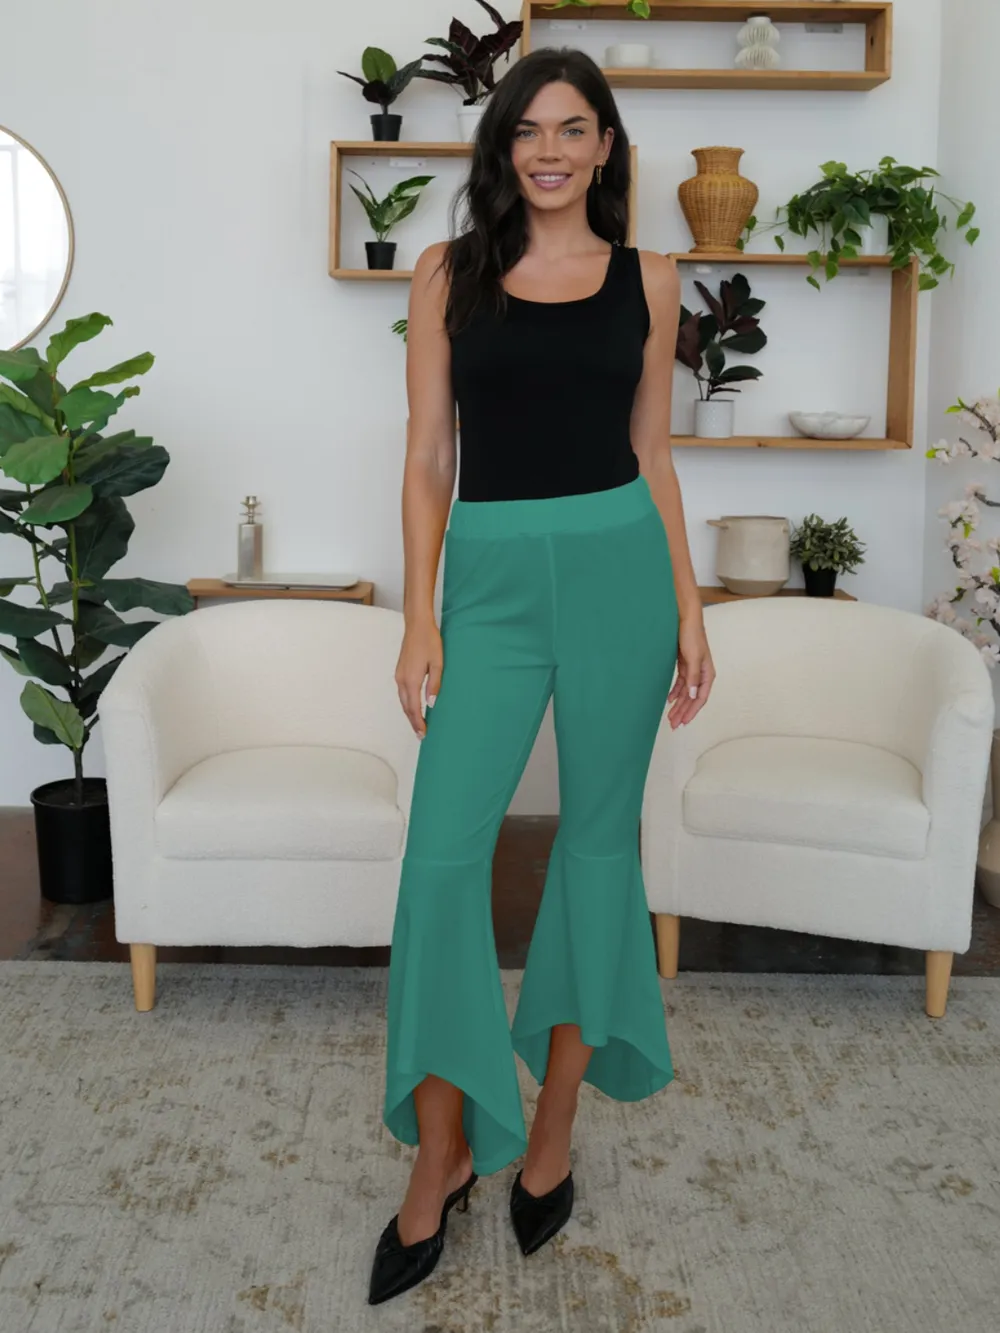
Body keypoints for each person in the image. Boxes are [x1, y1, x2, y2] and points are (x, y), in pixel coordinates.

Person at [367, 45, 716, 1307]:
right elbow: (428, 456)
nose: (551, 150)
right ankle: (445, 1146)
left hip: (623, 573)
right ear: (502, 146)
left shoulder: (651, 278)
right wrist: (421, 615)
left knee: (598, 852)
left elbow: (652, 453)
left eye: (574, 129)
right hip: (493, 582)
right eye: (528, 129)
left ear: (606, 146)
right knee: (441, 858)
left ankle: (554, 1125)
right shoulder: (447, 274)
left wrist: (689, 605)